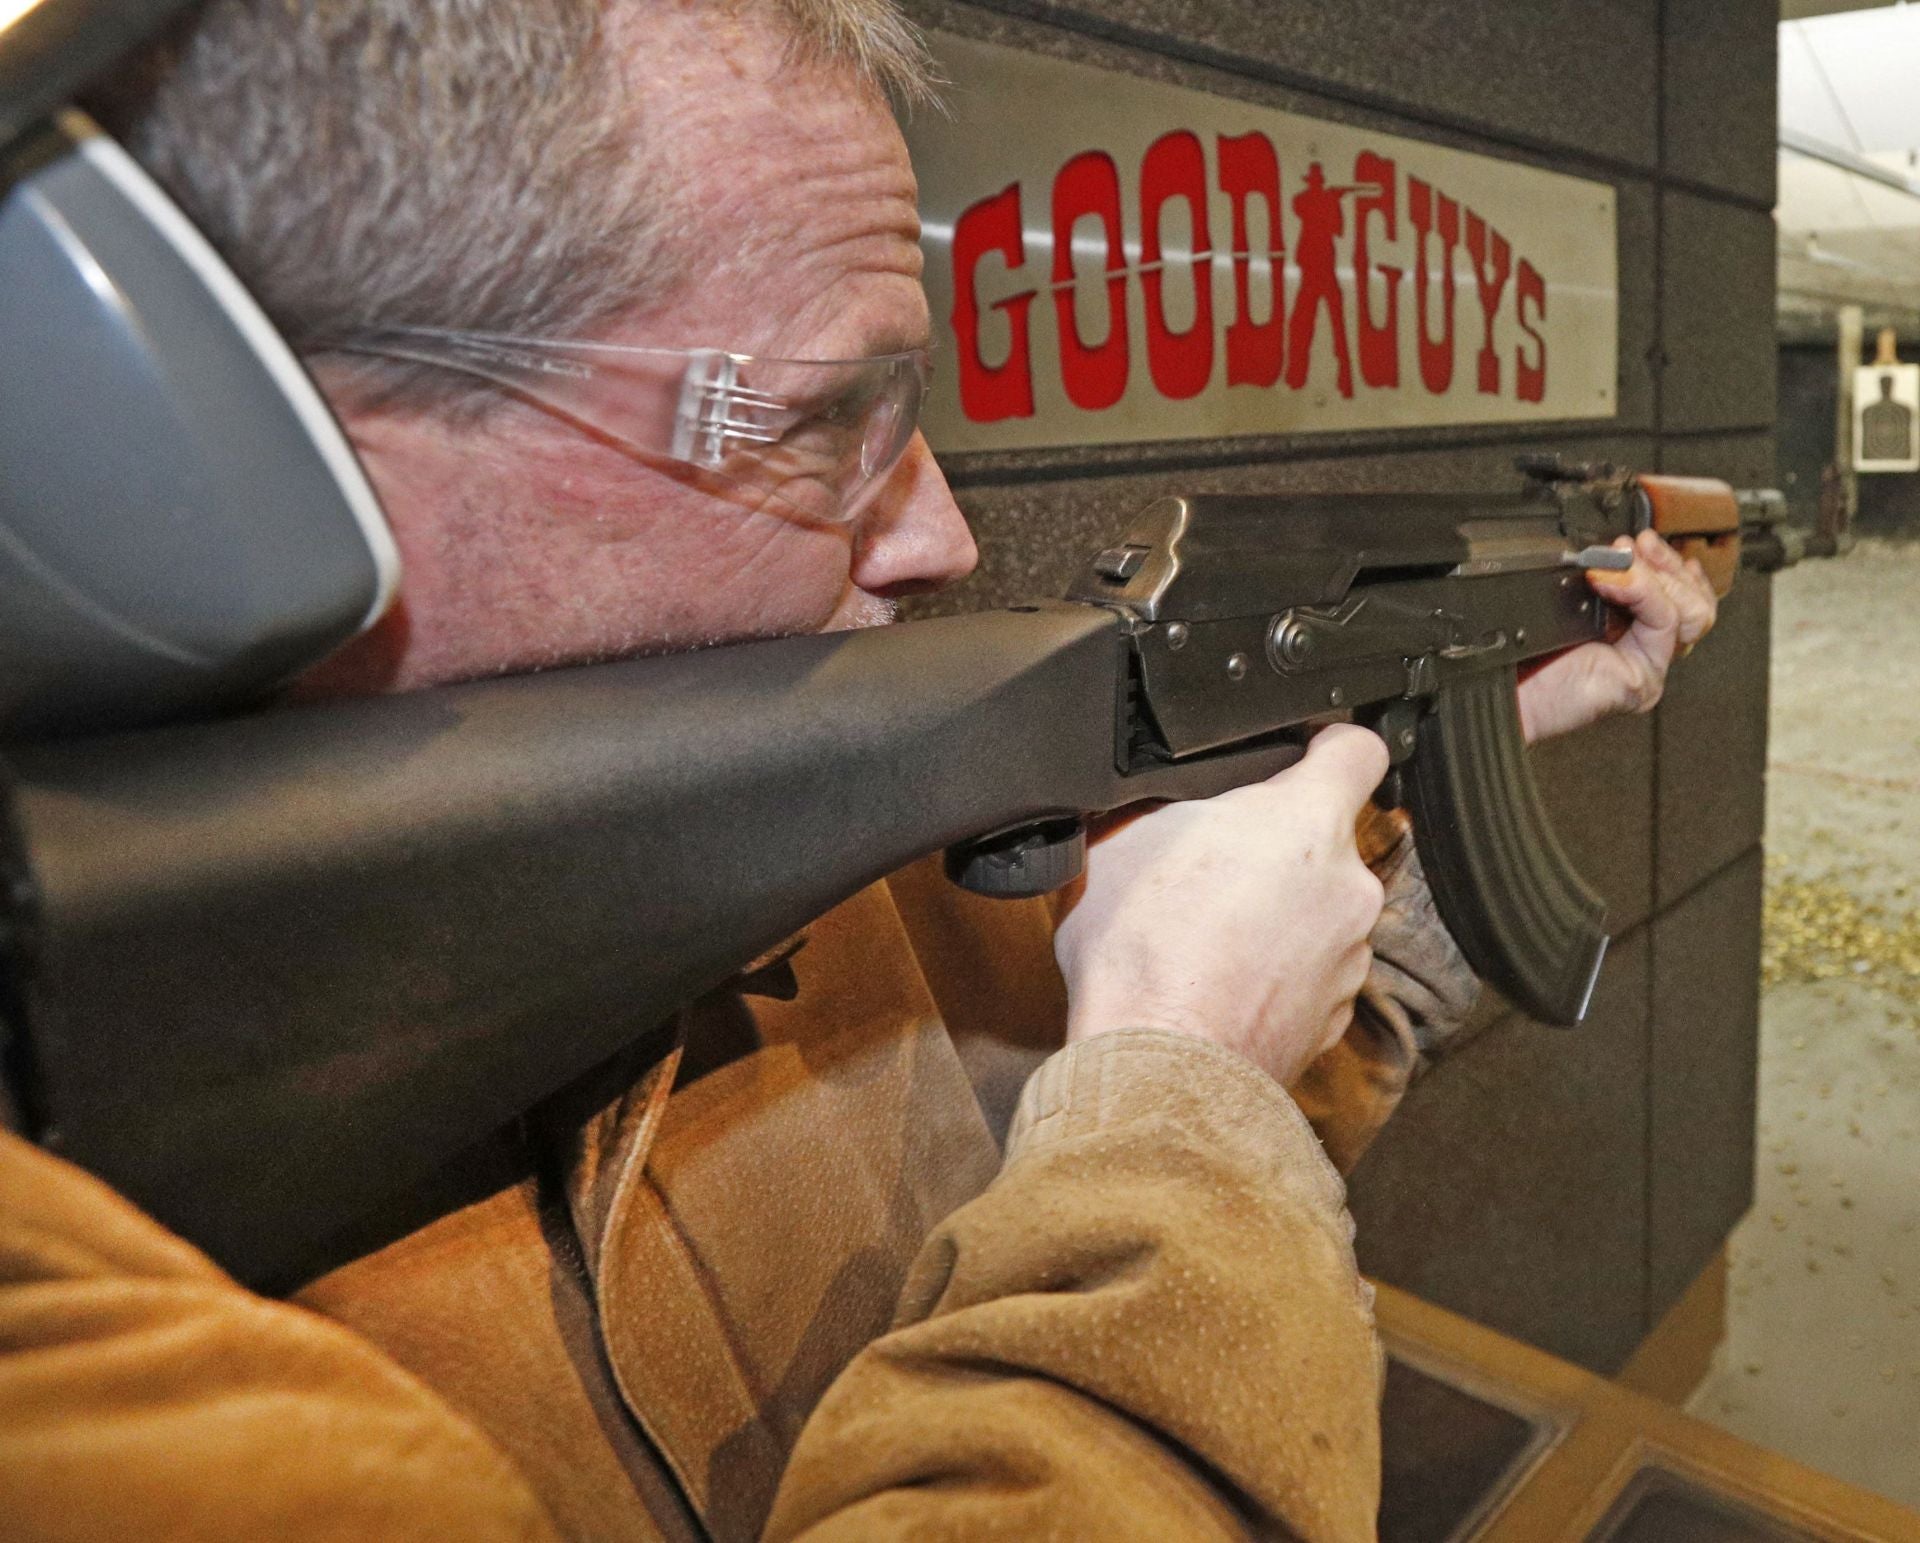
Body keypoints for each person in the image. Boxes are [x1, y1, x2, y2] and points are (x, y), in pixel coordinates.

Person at [0, 2, 1719, 1538]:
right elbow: (1173, 1117)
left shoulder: (827, 818)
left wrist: (1449, 748)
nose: (943, 539)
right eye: (831, 423)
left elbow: (1214, 1109)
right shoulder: (95, 1407)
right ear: (229, 457)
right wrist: (1177, 1085)